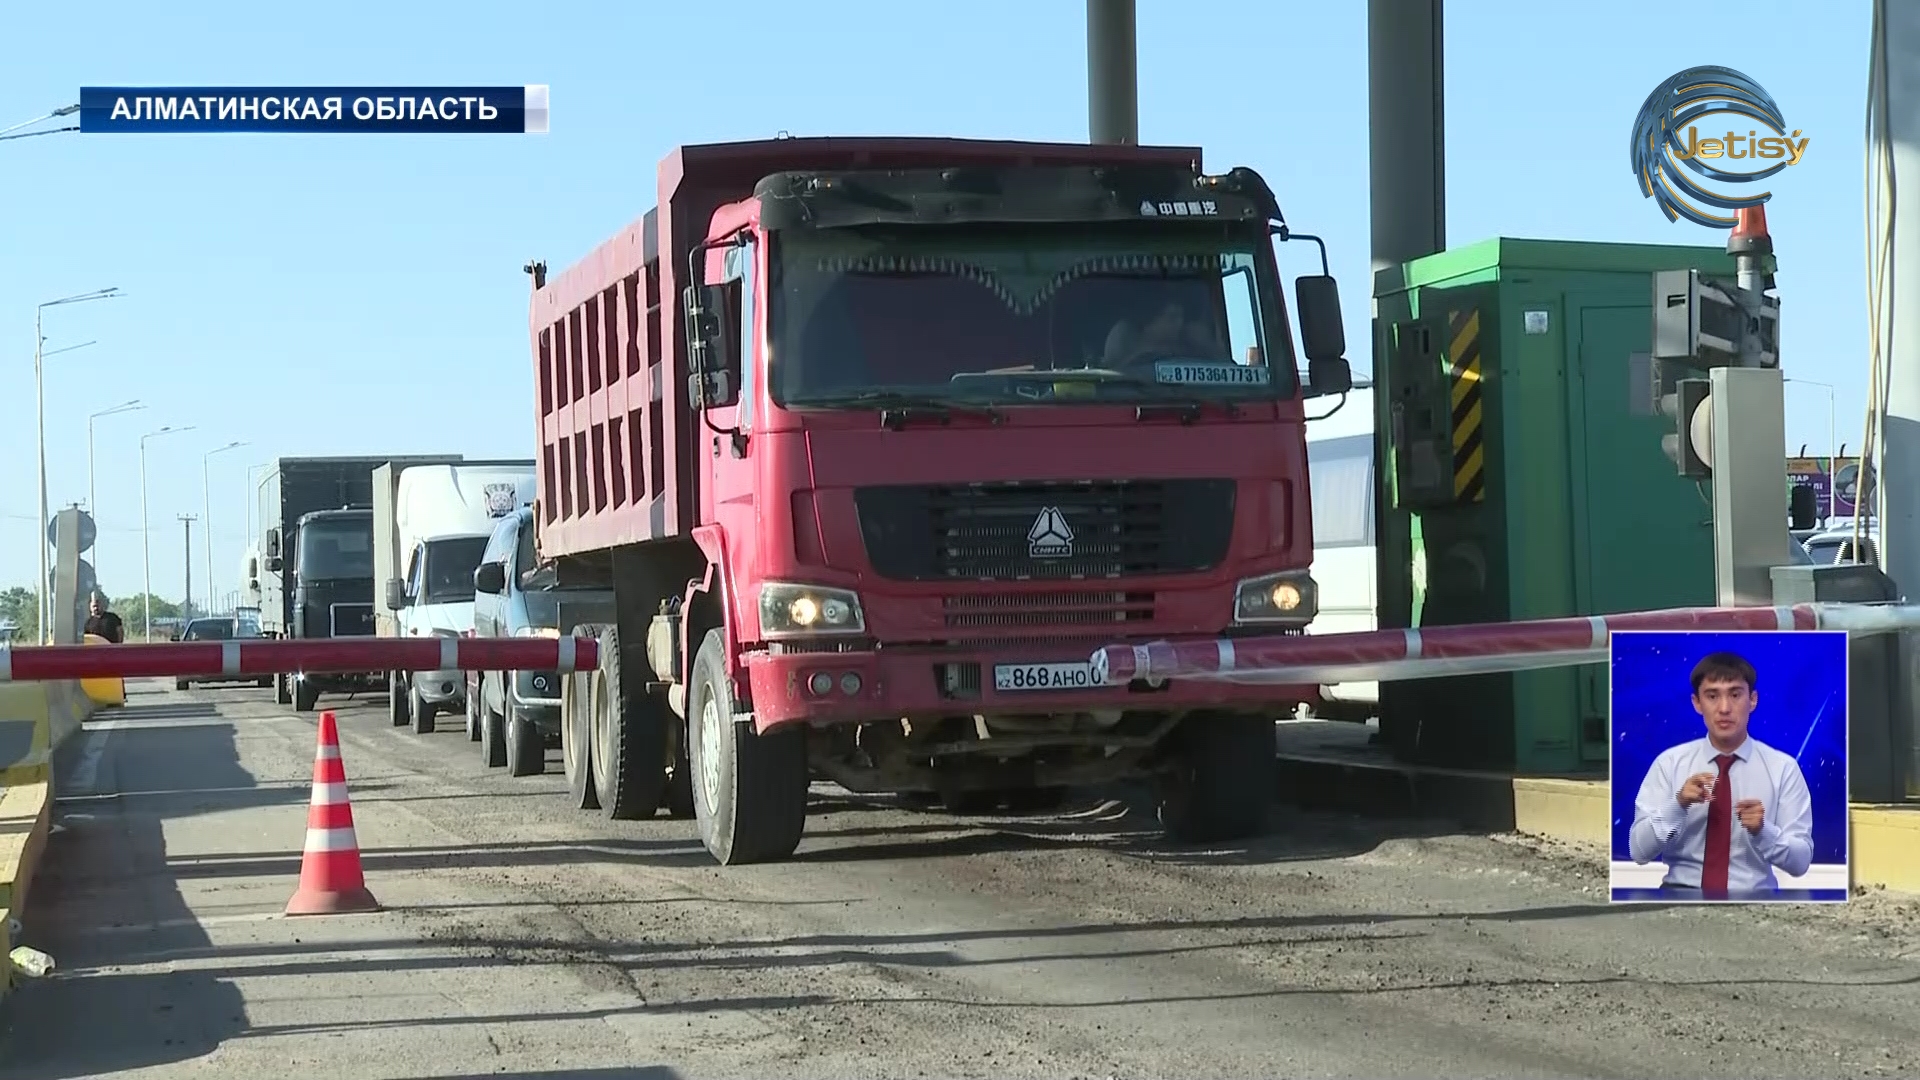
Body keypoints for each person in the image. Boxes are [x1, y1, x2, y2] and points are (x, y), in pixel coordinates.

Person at [1627, 650, 1815, 898]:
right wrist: (1678, 804)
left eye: (1735, 695)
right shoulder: (1669, 764)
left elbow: (1800, 862)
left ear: (1753, 700)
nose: (1724, 708)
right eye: (1712, 696)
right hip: (1679, 897)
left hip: (1755, 901)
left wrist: (1763, 830)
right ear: (1697, 703)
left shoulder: (1783, 769)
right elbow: (1639, 851)